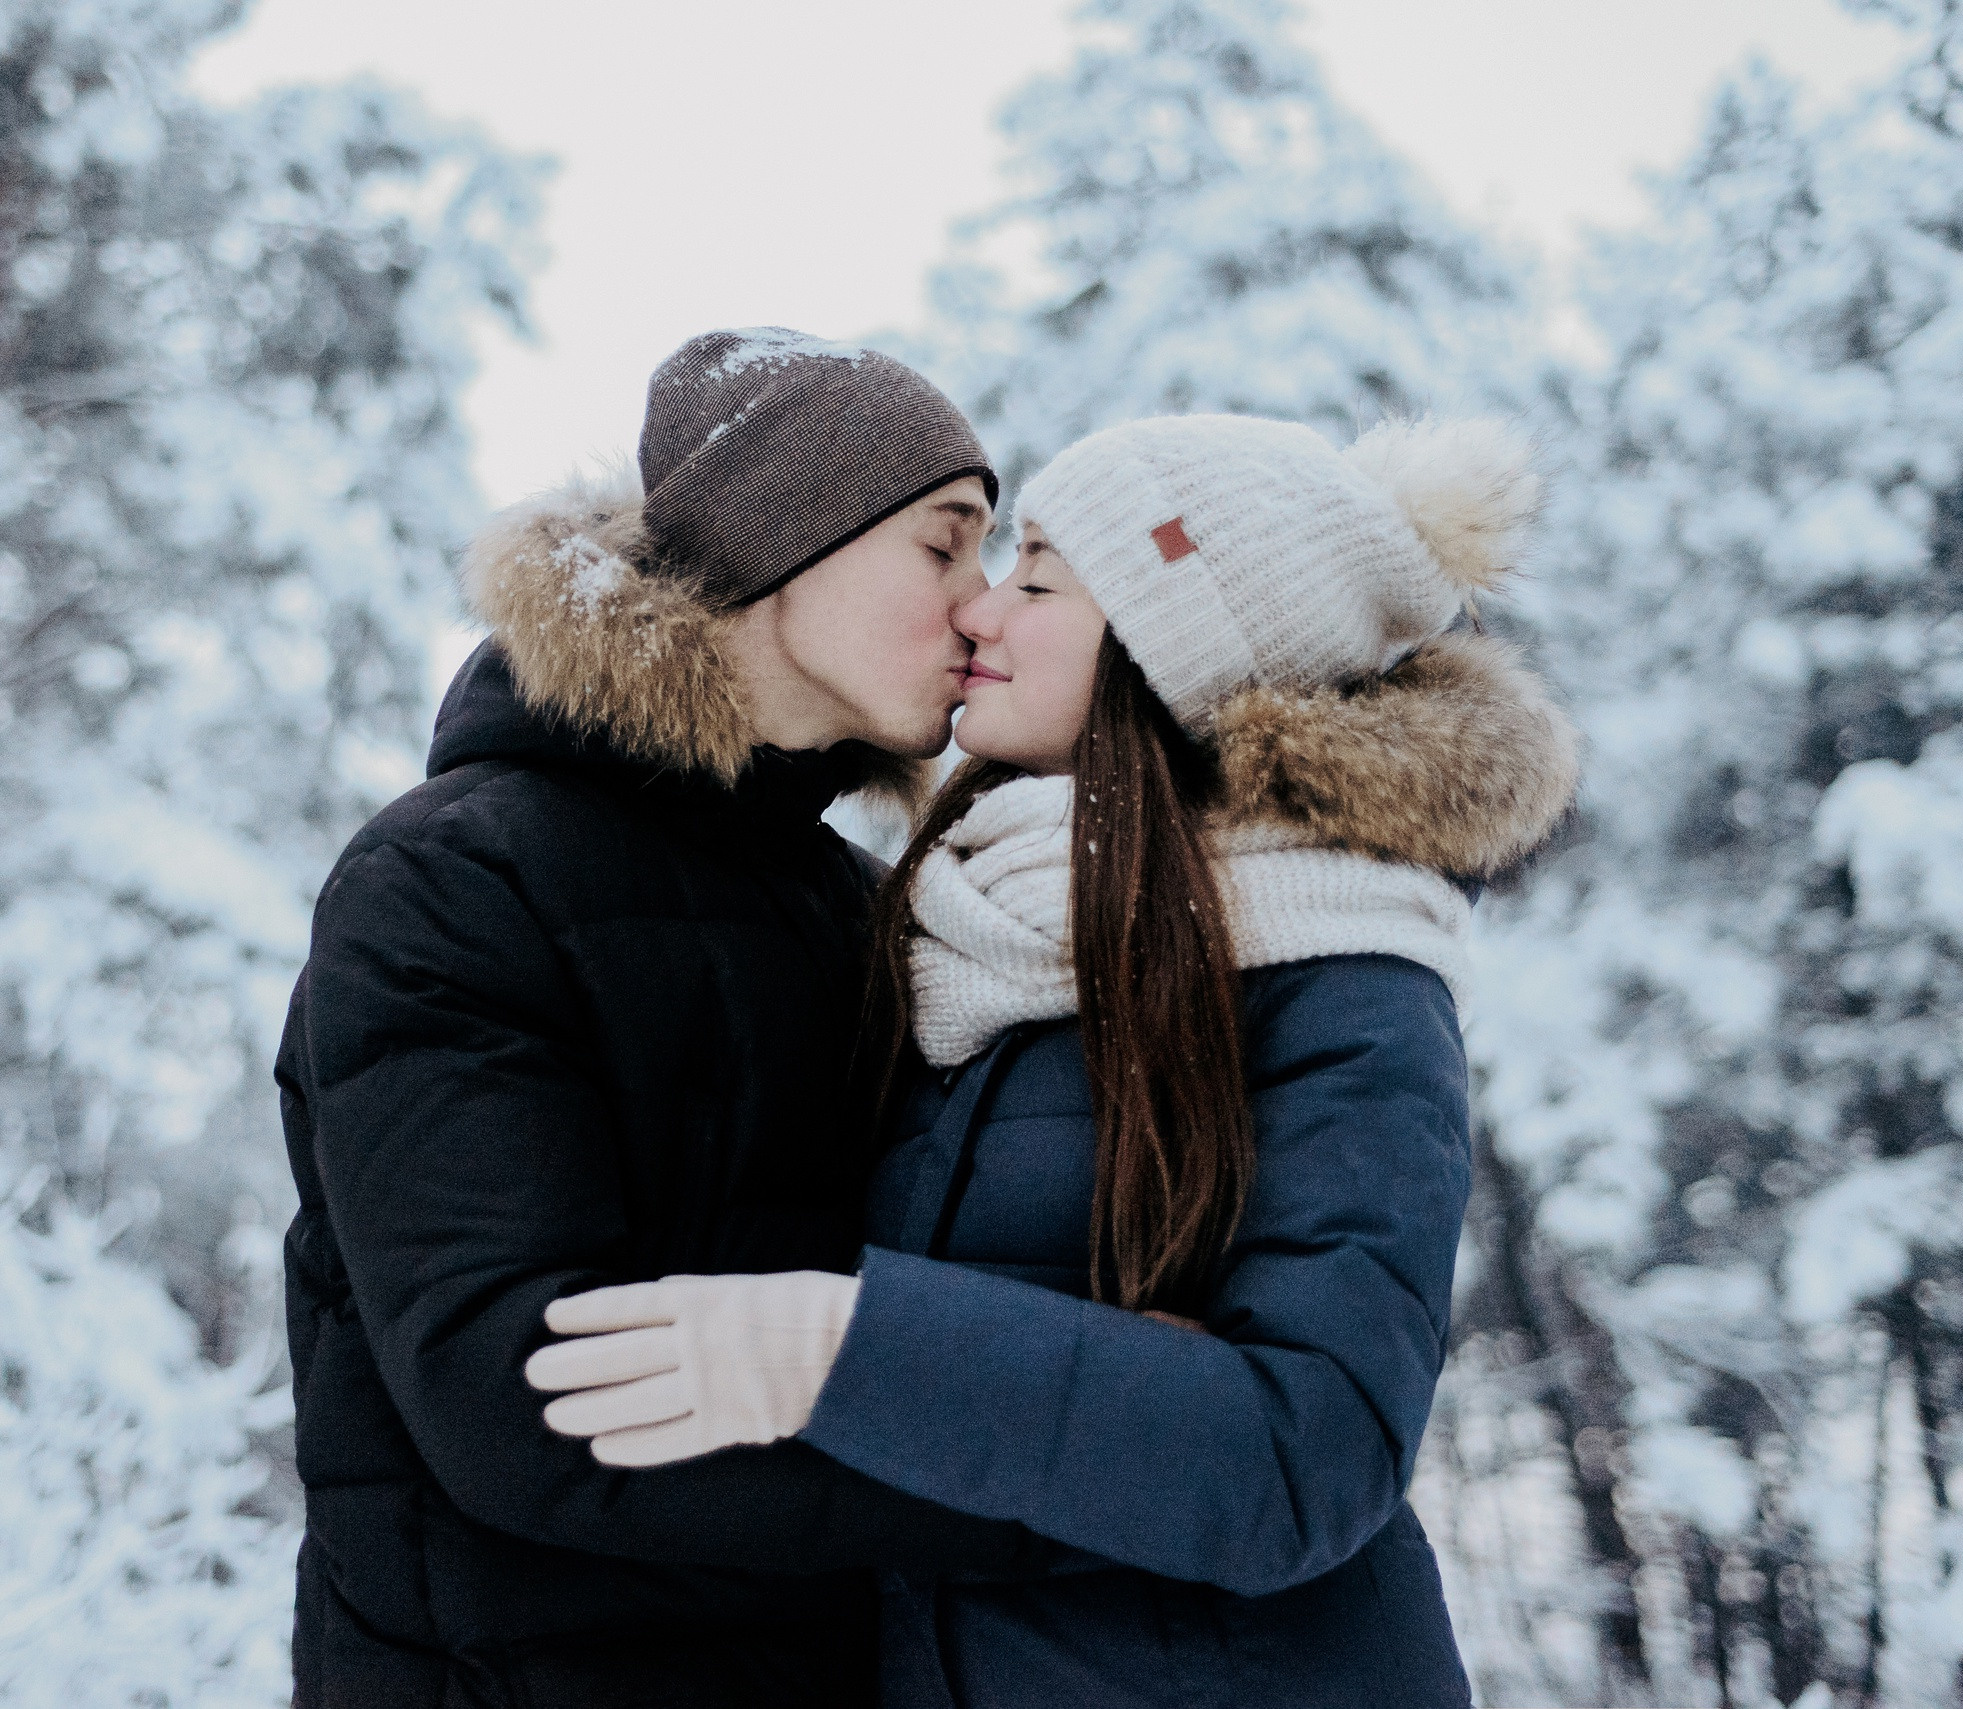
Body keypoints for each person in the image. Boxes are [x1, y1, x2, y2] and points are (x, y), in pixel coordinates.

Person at [526, 413, 1584, 1707]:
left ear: (1176, 648)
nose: (984, 615)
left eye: (1037, 580)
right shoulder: (964, 937)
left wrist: (838, 1351)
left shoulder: (1345, 976)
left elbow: (1303, 1455)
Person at [276, 328, 1058, 1709]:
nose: (982, 608)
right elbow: (528, 1395)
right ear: (783, 540)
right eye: (944, 548)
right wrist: (1070, 1472)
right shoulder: (453, 882)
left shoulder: (871, 909)